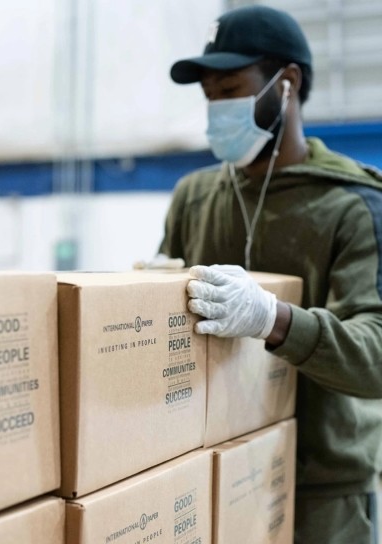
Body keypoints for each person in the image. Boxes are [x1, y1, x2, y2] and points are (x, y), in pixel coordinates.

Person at [159, 5, 382, 543]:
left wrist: (273, 319)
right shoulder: (195, 197)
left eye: (231, 88)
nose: (217, 108)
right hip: (209, 474)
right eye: (209, 95)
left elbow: (376, 357)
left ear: (286, 84)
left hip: (322, 494)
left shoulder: (352, 206)